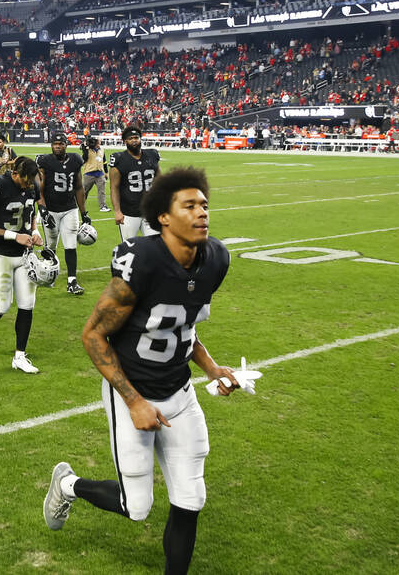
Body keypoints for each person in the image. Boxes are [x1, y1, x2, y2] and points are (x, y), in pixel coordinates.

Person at [42, 167, 240, 574]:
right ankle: (67, 486)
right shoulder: (143, 261)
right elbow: (94, 336)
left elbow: (182, 327)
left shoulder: (215, 258)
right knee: (137, 507)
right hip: (132, 390)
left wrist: (210, 367)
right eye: (189, 205)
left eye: (204, 204)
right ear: (163, 217)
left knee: (191, 498)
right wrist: (133, 402)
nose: (202, 212)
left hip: (180, 394)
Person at [0, 156, 45, 374]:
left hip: (25, 255)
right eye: (27, 180)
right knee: (2, 307)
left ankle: (19, 356)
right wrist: (15, 236)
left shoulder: (33, 186)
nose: (30, 185)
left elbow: (31, 213)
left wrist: (33, 231)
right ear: (16, 174)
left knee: (27, 304)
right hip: (1, 253)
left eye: (33, 181)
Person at [37, 132, 90, 295]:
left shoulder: (75, 160)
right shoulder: (45, 161)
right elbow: (40, 188)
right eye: (55, 144)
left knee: (70, 244)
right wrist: (43, 210)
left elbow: (79, 187)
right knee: (51, 245)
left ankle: (72, 281)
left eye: (61, 144)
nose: (58, 146)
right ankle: (46, 275)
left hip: (69, 208)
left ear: (66, 145)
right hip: (51, 209)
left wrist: (84, 212)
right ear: (51, 145)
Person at [110, 126, 162, 241]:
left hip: (150, 211)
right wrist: (117, 211)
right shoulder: (119, 159)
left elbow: (160, 181)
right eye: (130, 138)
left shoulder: (152, 155)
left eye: (136, 137)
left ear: (140, 139)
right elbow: (114, 187)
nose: (134, 140)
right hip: (128, 212)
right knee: (129, 247)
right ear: (125, 141)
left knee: (155, 246)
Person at [80, 135, 109, 212]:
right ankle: (80, 205)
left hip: (100, 173)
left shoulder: (102, 149)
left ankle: (103, 206)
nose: (99, 143)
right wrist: (85, 147)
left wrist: (106, 172)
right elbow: (85, 158)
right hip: (89, 173)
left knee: (102, 191)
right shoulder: (88, 149)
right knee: (84, 191)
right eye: (97, 141)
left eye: (99, 141)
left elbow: (104, 161)